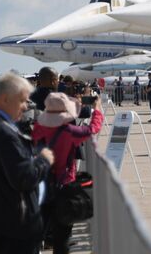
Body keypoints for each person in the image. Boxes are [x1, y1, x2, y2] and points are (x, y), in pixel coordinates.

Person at [0, 73, 54, 254]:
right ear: (5, 99)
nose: (25, 106)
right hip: (13, 227)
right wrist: (43, 161)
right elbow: (23, 178)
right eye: (22, 100)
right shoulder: (2, 133)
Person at [32, 92, 103, 254]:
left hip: (40, 184)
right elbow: (92, 129)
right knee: (62, 235)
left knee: (37, 232)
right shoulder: (69, 131)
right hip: (63, 186)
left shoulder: (37, 128)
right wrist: (97, 109)